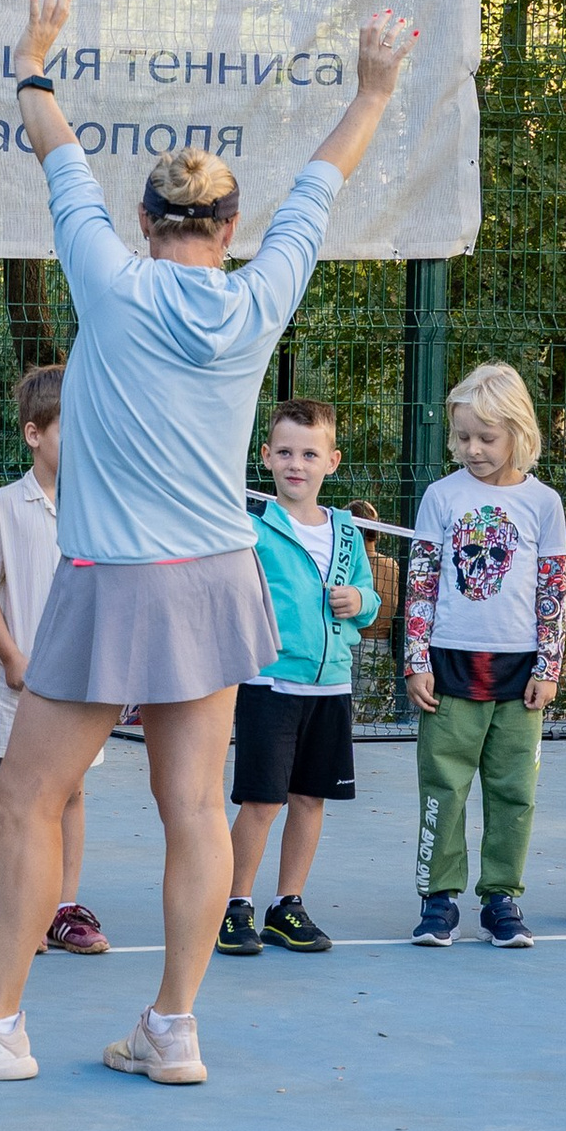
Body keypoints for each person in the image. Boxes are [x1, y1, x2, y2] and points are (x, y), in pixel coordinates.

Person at [0, 0, 418, 1087]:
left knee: (22, 796)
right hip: (220, 583)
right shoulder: (264, 289)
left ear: (144, 221)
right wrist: (374, 84)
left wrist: (35, 55)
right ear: (228, 228)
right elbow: (324, 178)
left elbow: (52, 140)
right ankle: (172, 1026)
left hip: (118, 580)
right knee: (191, 807)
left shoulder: (108, 279)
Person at [403, 361, 566, 948]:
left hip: (521, 674)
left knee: (512, 788)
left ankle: (502, 899)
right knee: (443, 784)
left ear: (518, 433)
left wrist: (548, 667)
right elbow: (421, 579)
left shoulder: (544, 503)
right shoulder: (440, 496)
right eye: (464, 436)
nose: (473, 449)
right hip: (449, 666)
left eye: (486, 438)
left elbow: (553, 587)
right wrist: (415, 658)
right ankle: (438, 899)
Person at [220, 397, 381, 957]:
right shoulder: (251, 531)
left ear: (331, 462)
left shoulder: (345, 531)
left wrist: (360, 598)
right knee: (262, 802)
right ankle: (233, 906)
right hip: (270, 686)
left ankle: (287, 906)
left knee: (310, 799)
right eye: (285, 451)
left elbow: (371, 600)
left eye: (310, 453)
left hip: (330, 687)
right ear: (266, 457)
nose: (297, 463)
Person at [0, 363, 108, 957]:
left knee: (70, 792)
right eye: (74, 429)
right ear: (34, 434)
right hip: (17, 684)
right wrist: (12, 655)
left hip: (80, 684)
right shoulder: (4, 505)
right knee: (15, 792)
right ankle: (22, 902)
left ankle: (61, 908)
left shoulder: (101, 505)